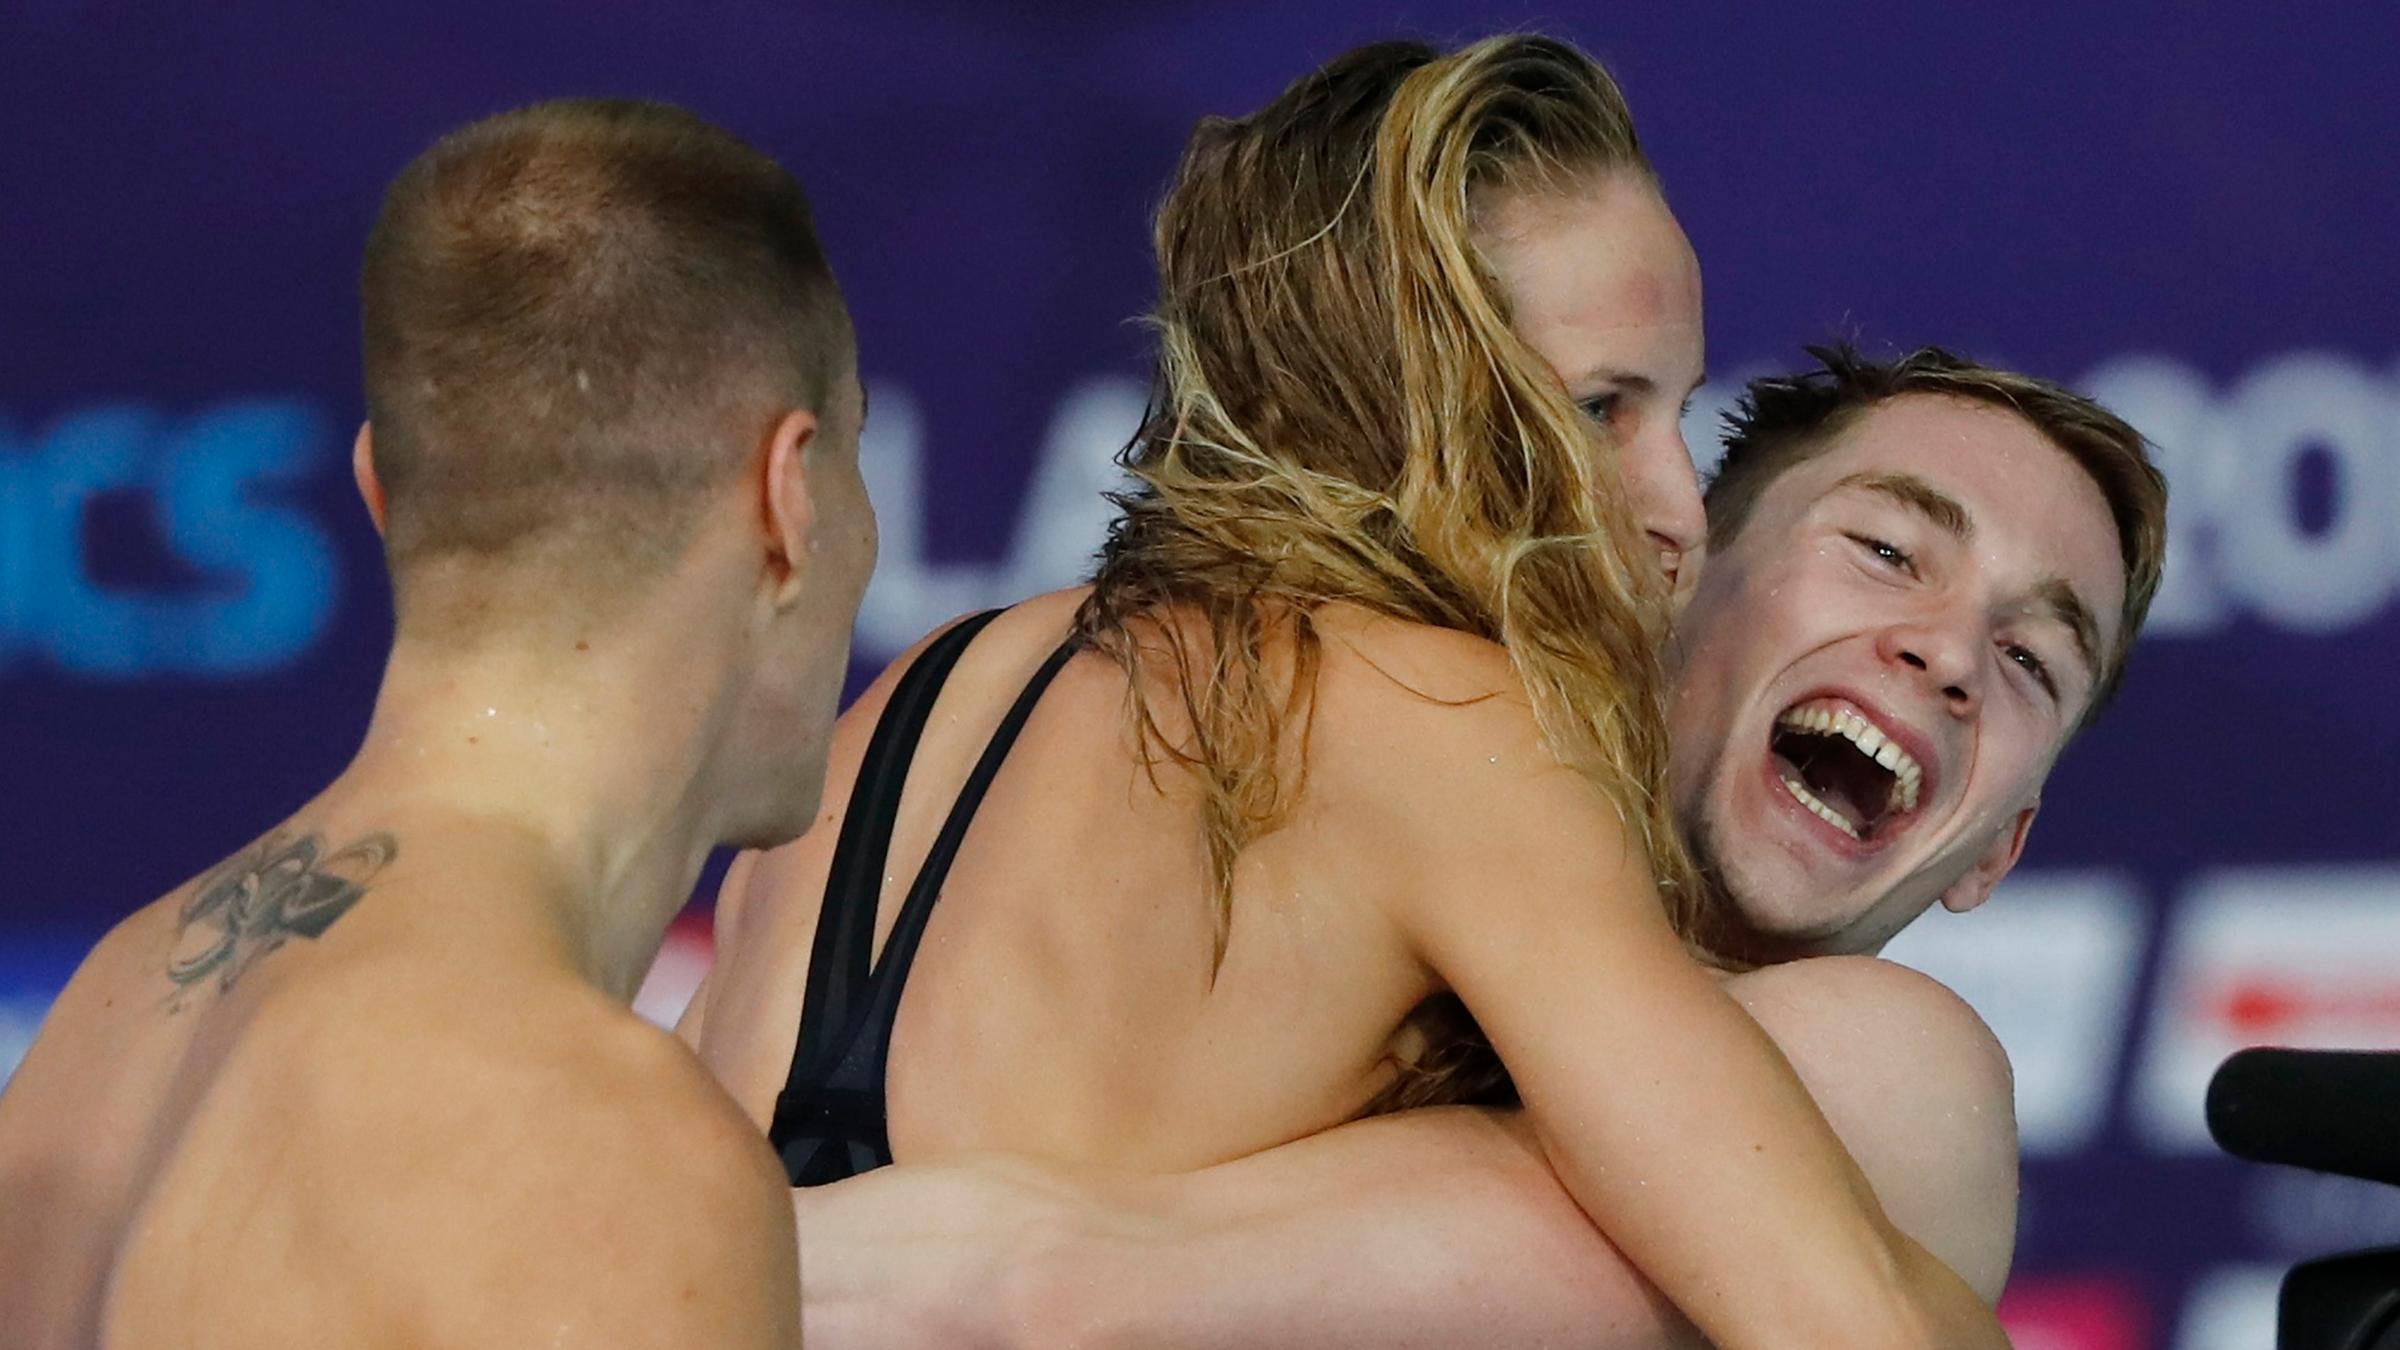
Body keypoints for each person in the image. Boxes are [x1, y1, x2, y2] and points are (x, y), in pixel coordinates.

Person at [684, 37, 2063, 1348]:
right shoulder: (1438, 718)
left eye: (1680, 414)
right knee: (1880, 1079)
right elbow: (1828, 1310)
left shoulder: (920, 698)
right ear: (1410, 388)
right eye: (1602, 409)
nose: (1673, 512)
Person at [780, 344, 2169, 1348]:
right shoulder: (1323, 910)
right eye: (1883, 549)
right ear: (1667, 577)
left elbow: (1036, 1284)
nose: (1949, 653)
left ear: (1994, 851)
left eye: (2034, 659)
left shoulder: (1884, 1080)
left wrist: (723, 1250)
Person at [0, 99, 874, 1349]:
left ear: (379, 490)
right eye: (856, 460)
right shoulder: (596, 1147)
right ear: (788, 498)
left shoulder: (107, 1024)